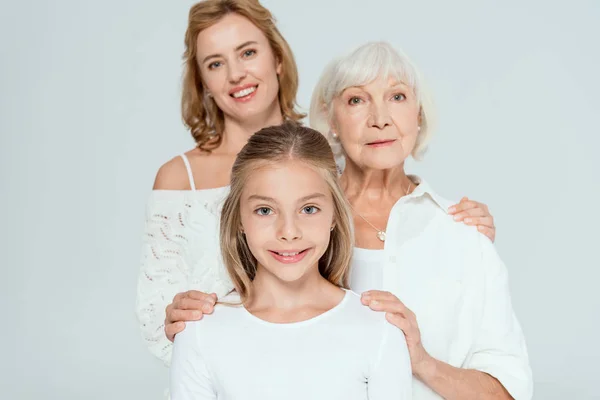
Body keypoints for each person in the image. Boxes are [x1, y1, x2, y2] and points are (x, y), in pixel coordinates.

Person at [137, 0, 496, 366]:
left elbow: (391, 221)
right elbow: (154, 316)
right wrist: (176, 318)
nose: (235, 75)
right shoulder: (180, 177)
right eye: (215, 63)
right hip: (218, 374)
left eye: (247, 52)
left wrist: (461, 230)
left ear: (277, 59)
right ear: (203, 83)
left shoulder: (328, 154)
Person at [308, 42, 533, 399]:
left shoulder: (463, 235)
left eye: (397, 97)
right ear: (331, 119)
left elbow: (507, 393)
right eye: (357, 100)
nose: (380, 118)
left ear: (419, 115)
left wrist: (421, 361)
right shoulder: (294, 231)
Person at [170, 123, 412, 399]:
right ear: (238, 219)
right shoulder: (199, 332)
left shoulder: (378, 329)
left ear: (334, 214)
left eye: (309, 209)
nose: (288, 232)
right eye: (265, 210)